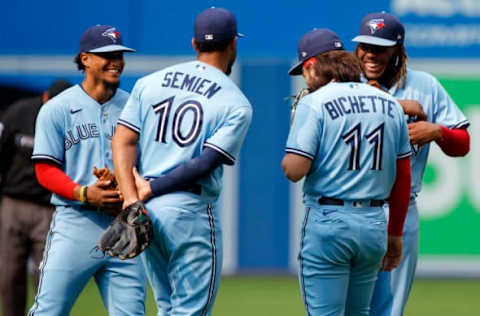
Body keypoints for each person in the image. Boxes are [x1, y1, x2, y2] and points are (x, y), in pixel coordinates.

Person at [111, 7, 252, 315]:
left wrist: (132, 199)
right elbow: (205, 163)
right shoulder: (235, 101)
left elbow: (122, 139)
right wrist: (151, 189)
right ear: (233, 45)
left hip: (146, 210)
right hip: (189, 212)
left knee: (166, 307)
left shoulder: (150, 82)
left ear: (194, 43)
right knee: (190, 311)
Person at [282, 28, 412, 316]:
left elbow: (294, 170)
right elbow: (403, 176)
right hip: (374, 224)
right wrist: (395, 234)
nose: (305, 80)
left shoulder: (314, 102)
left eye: (303, 72)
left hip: (329, 222)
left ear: (311, 66)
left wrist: (296, 137)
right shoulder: (390, 103)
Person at [351, 12, 471, 316]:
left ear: (398, 50)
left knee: (388, 310)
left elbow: (463, 143)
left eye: (380, 47)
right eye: (365, 45)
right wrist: (399, 107)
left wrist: (438, 131)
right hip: (346, 208)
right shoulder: (346, 82)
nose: (370, 54)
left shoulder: (424, 85)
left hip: (399, 209)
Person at [28, 25, 146, 316]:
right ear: (85, 59)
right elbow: (44, 169)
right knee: (49, 311)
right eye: (106, 54)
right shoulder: (57, 109)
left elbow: (148, 166)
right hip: (74, 223)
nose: (115, 60)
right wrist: (84, 192)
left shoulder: (135, 107)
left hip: (124, 224)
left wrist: (129, 185)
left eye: (119, 53)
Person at [0, 79, 71, 316]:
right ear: (45, 98)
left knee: (47, 281)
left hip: (49, 208)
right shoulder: (19, 113)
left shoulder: (70, 122)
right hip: (14, 203)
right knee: (10, 275)